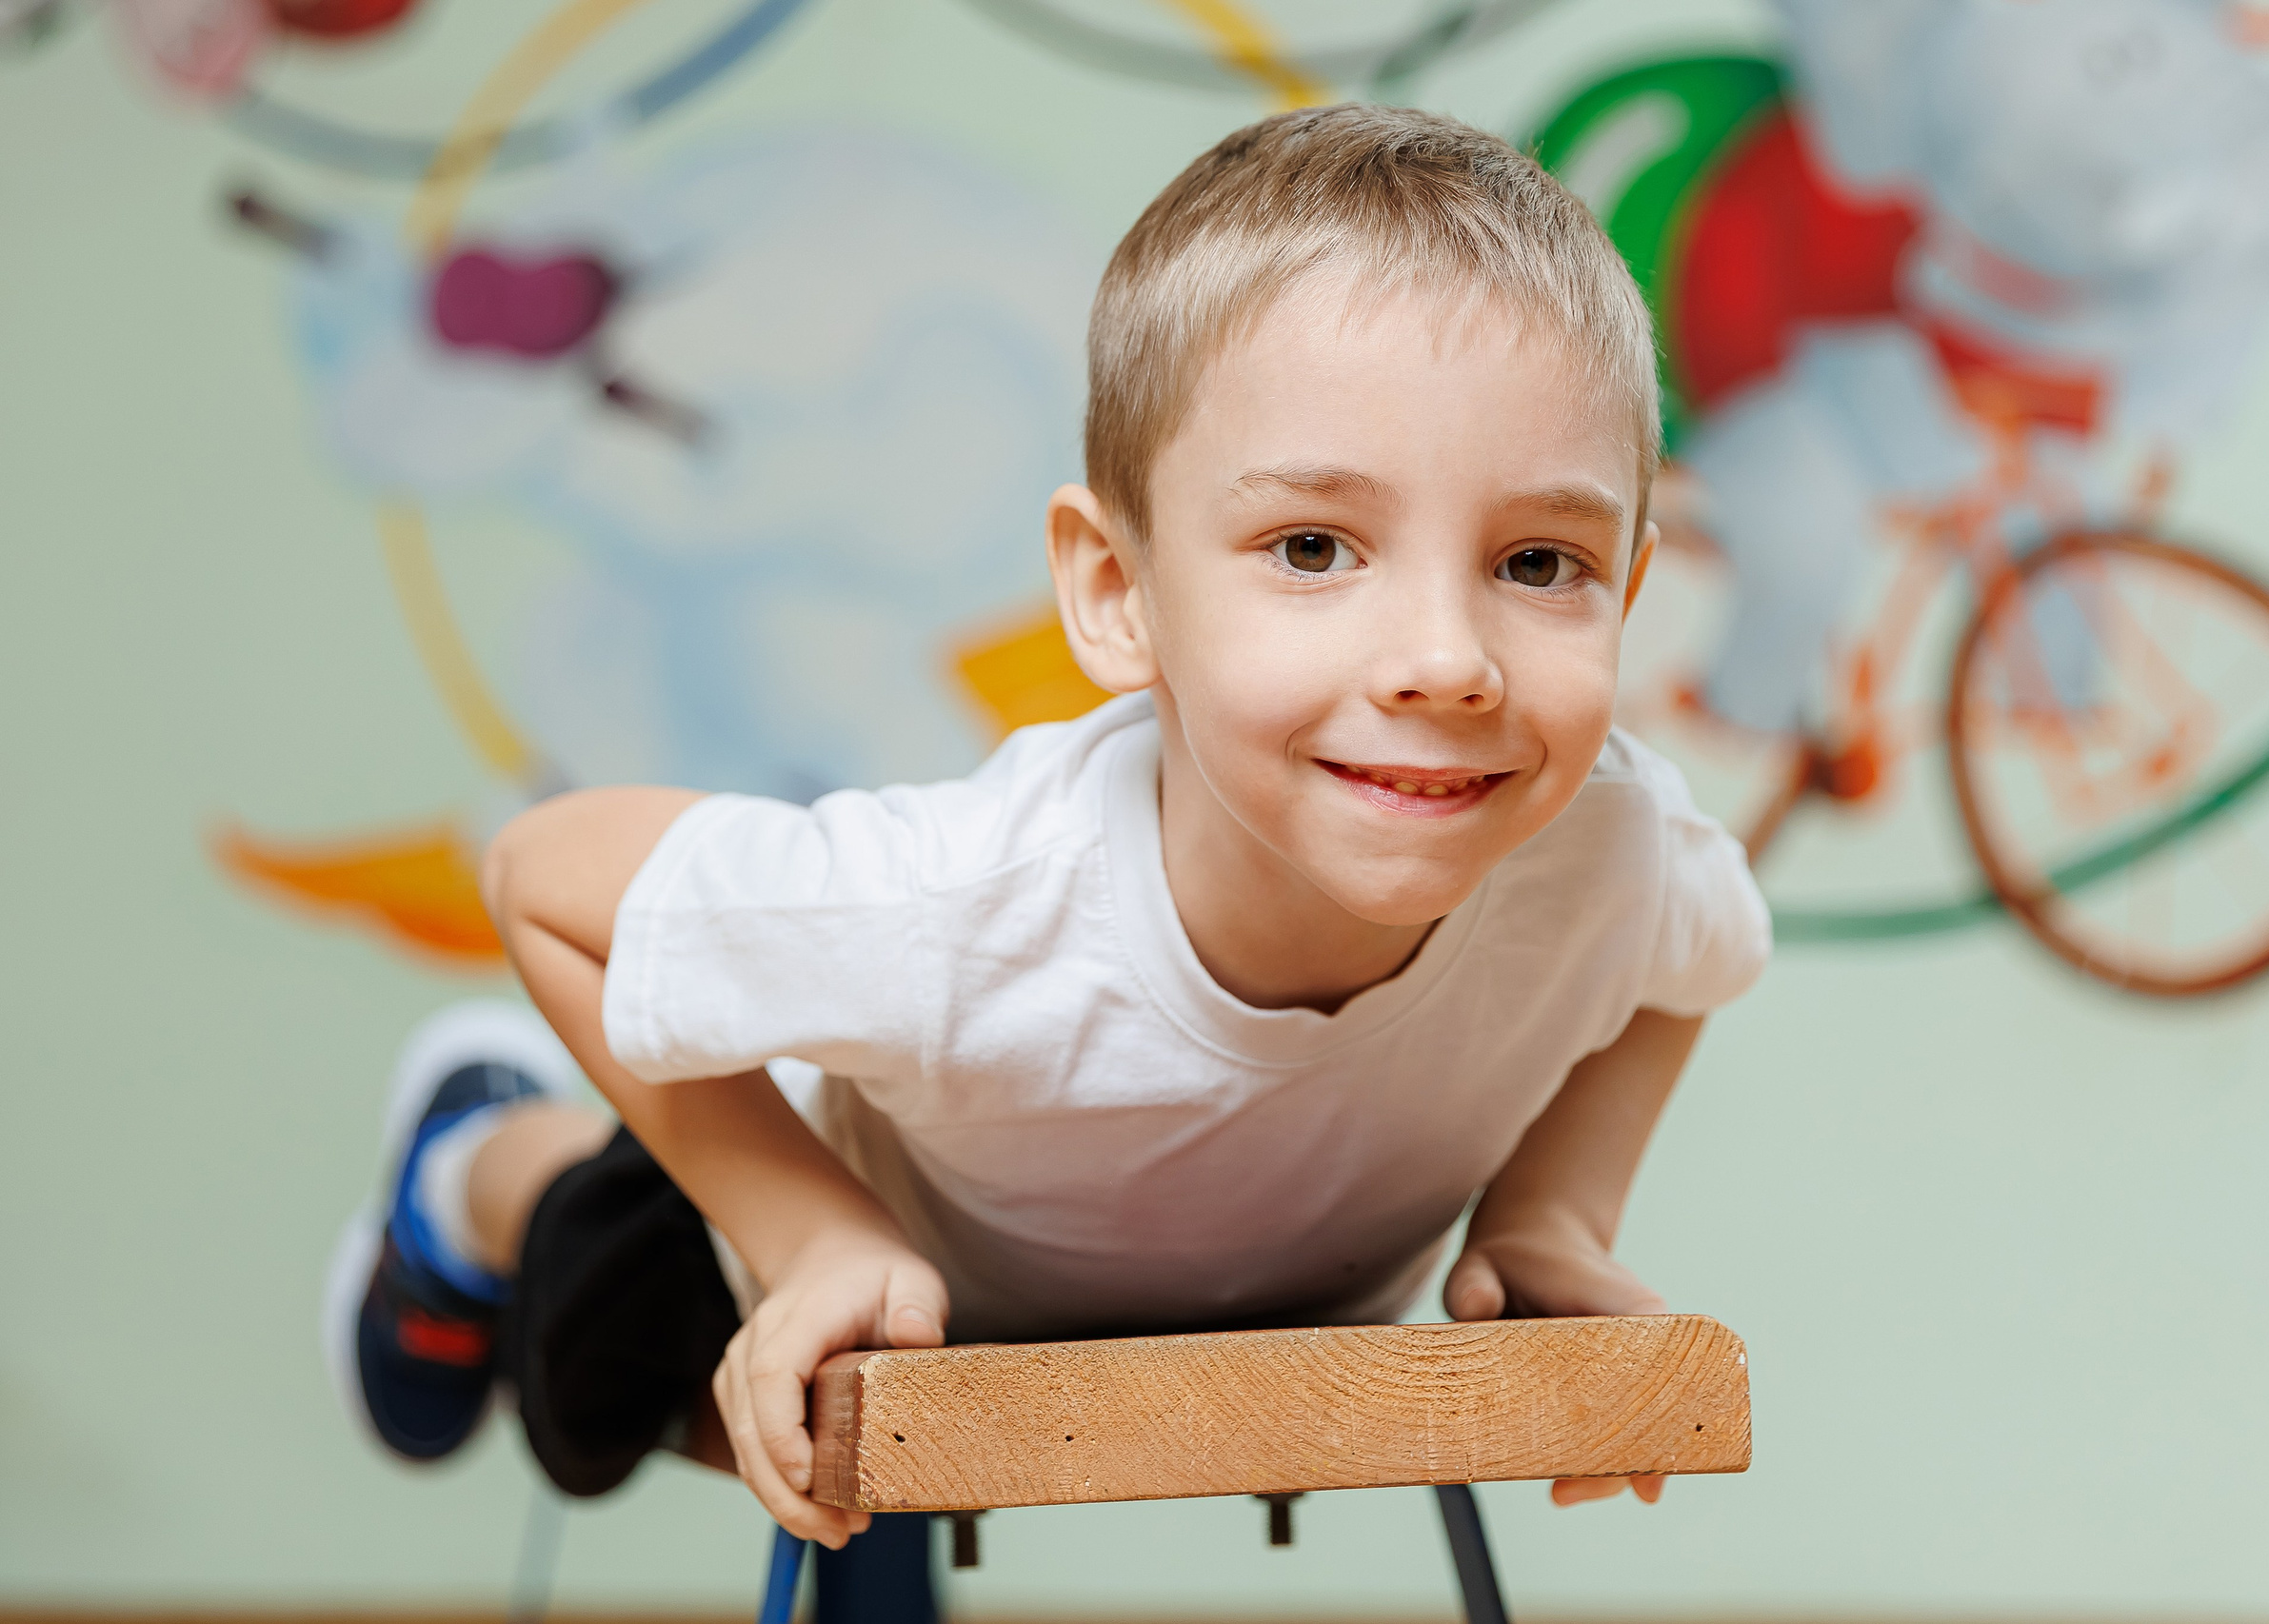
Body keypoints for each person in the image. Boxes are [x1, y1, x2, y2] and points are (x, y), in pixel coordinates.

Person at [326, 104, 1772, 1559]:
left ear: (1629, 591)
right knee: (603, 1345)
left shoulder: (1610, 849)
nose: (1447, 660)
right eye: (1315, 548)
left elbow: (1689, 967)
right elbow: (546, 878)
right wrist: (811, 1235)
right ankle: (469, 1156)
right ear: (1114, 591)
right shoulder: (972, 901)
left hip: (1225, 1271)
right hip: (862, 1210)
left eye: (1539, 562)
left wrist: (1547, 1220)